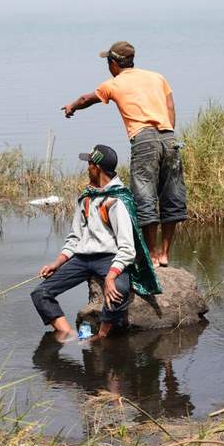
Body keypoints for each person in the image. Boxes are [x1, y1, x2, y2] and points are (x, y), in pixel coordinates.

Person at [62, 41, 187, 267]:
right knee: (172, 195)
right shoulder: (157, 77)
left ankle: (151, 254)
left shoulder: (114, 83)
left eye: (107, 63)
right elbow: (170, 107)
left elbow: (85, 100)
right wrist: (167, 134)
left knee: (144, 194)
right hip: (169, 136)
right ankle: (166, 254)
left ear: (113, 63)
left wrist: (71, 106)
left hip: (143, 139)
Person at [31, 144, 158, 341]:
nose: (87, 168)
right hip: (82, 259)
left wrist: (111, 276)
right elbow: (74, 238)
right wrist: (57, 263)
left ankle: (102, 335)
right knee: (41, 293)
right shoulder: (87, 198)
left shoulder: (117, 200)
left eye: (89, 164)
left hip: (109, 258)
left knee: (120, 289)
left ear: (97, 168)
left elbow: (127, 248)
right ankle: (68, 334)